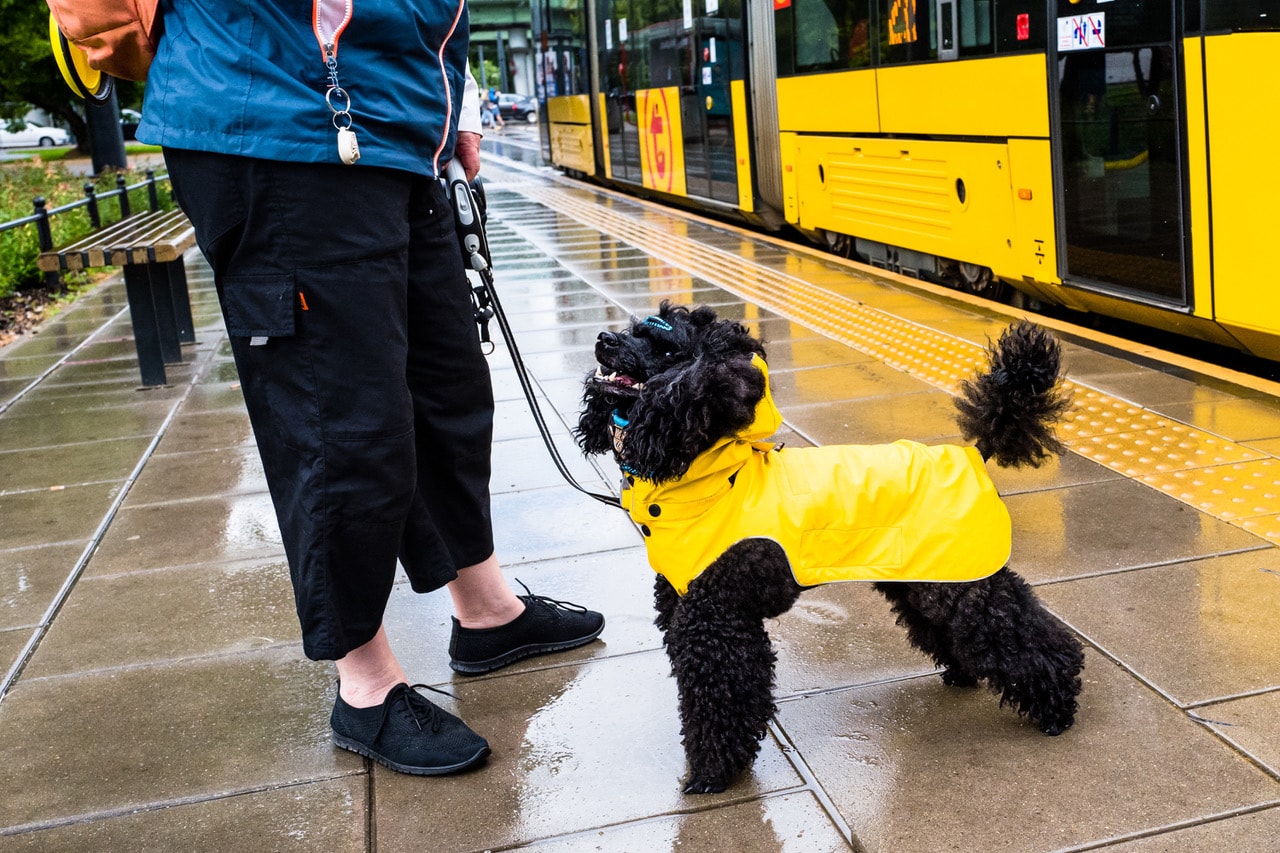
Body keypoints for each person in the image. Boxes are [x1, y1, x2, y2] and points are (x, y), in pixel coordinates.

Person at [136, 1, 604, 776]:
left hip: (394, 127)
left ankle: (485, 611)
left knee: (447, 392)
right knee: (341, 420)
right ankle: (365, 683)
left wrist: (456, 103)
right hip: (284, 119)